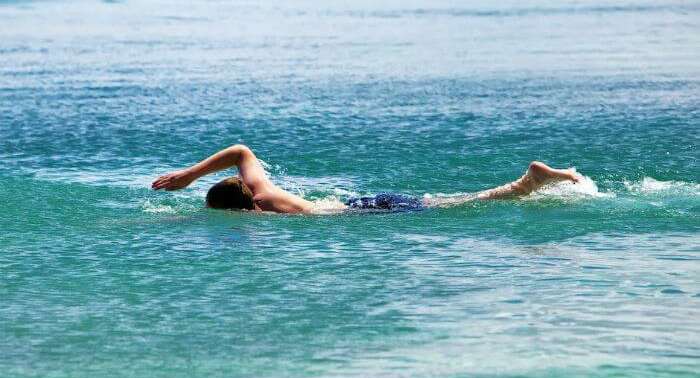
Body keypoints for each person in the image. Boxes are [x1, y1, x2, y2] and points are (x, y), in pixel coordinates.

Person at [151, 144, 582, 214]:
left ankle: (528, 183)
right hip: (367, 201)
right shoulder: (260, 188)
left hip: (370, 213)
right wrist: (190, 176)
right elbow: (241, 151)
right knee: (453, 198)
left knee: (462, 205)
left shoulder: (261, 213)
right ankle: (530, 182)